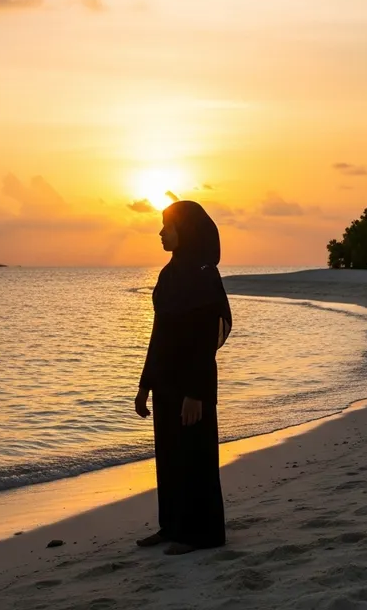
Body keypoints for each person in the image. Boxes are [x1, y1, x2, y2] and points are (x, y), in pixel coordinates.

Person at [134, 200, 232, 555]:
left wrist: (196, 393)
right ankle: (172, 526)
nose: (161, 233)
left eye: (168, 226)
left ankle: (202, 534)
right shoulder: (168, 274)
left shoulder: (204, 275)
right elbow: (159, 332)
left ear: (186, 230)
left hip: (194, 382)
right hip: (166, 381)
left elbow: (206, 340)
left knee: (196, 458)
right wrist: (145, 385)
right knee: (170, 457)